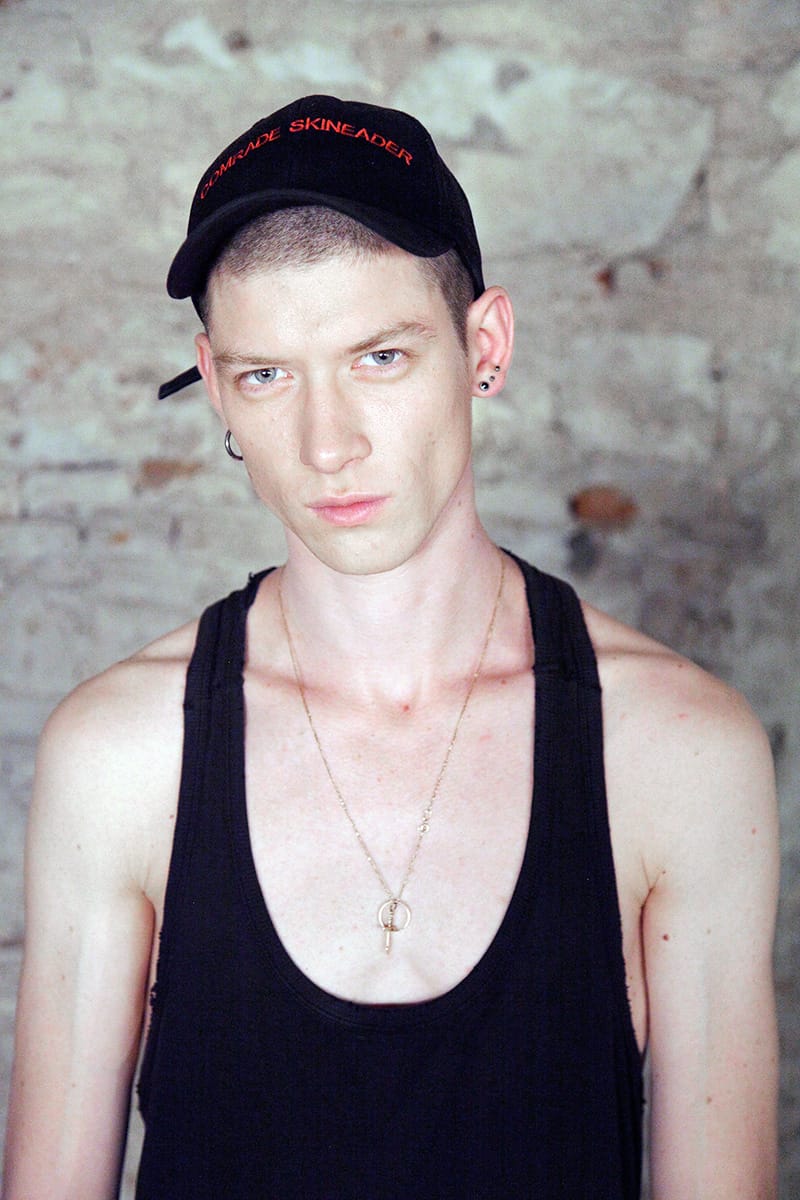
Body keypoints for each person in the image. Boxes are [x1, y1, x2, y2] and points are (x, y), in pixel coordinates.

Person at [2, 94, 779, 1200]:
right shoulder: (119, 757)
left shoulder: (680, 752)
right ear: (215, 386)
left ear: (483, 347)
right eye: (267, 375)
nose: (327, 445)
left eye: (378, 357)